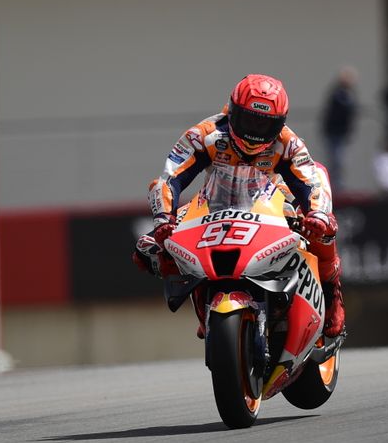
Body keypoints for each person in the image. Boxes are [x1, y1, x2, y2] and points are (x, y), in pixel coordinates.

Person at [138, 73, 345, 338]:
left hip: (275, 201)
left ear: (280, 123)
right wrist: (163, 218)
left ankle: (331, 291)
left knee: (323, 228)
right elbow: (169, 178)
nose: (255, 132)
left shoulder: (288, 143)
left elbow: (311, 182)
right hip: (215, 201)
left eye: (265, 125)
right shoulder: (204, 135)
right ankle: (205, 308)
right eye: (249, 120)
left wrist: (317, 214)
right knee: (149, 248)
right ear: (232, 111)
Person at [321, 66, 359, 192]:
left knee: (340, 161)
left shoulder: (349, 94)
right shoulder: (339, 94)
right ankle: (335, 187)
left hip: (341, 133)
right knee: (336, 161)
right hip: (334, 132)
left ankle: (338, 186)